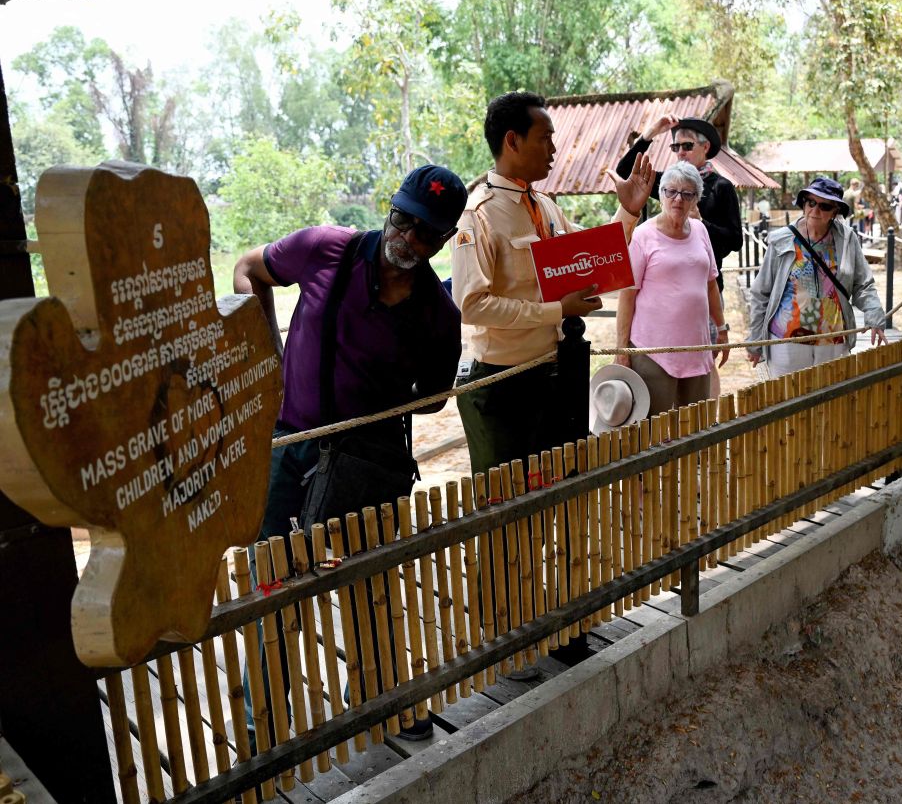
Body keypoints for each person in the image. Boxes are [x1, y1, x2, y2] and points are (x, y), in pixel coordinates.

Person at [233, 163, 467, 742]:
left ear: (444, 240)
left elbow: (437, 399)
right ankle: (263, 721)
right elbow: (247, 268)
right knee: (278, 586)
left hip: (370, 465)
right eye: (402, 220)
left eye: (425, 233)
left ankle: (376, 699)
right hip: (293, 453)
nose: (408, 239)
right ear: (389, 210)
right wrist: (269, 346)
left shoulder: (440, 316)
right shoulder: (323, 251)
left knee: (371, 582)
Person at [452, 91, 654, 477]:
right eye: (544, 138)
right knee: (508, 511)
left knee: (552, 495)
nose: (554, 149)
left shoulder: (545, 206)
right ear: (512, 141)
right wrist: (558, 310)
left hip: (554, 376)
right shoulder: (478, 216)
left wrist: (628, 211)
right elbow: (472, 305)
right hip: (501, 385)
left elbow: (593, 257)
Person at [614, 161, 728, 415]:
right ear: (661, 195)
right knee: (655, 428)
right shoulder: (644, 235)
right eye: (671, 192)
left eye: (687, 194)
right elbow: (627, 296)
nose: (678, 199)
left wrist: (721, 329)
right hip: (653, 350)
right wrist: (622, 350)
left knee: (696, 427)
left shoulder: (700, 230)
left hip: (696, 347)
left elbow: (710, 284)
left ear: (696, 199)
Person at [746, 176, 887, 379]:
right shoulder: (782, 239)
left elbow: (863, 284)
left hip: (833, 339)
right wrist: (755, 340)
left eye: (824, 206)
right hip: (786, 338)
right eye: (811, 202)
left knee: (830, 406)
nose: (815, 210)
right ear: (804, 204)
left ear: (835, 212)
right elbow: (761, 292)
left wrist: (875, 316)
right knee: (788, 404)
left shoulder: (847, 239)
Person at [616, 114, 742, 294]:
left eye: (687, 146)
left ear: (705, 147)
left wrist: (702, 224)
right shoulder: (668, 184)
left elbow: (735, 241)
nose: (680, 152)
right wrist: (650, 134)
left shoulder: (721, 187)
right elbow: (624, 170)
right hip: (666, 287)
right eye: (676, 146)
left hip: (705, 289)